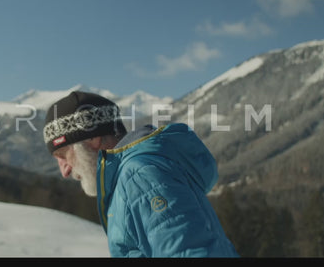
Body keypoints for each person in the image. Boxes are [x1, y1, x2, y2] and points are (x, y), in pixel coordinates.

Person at [43, 90, 239, 257]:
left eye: (63, 155)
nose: (64, 171)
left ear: (93, 138)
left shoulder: (140, 177)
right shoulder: (128, 177)